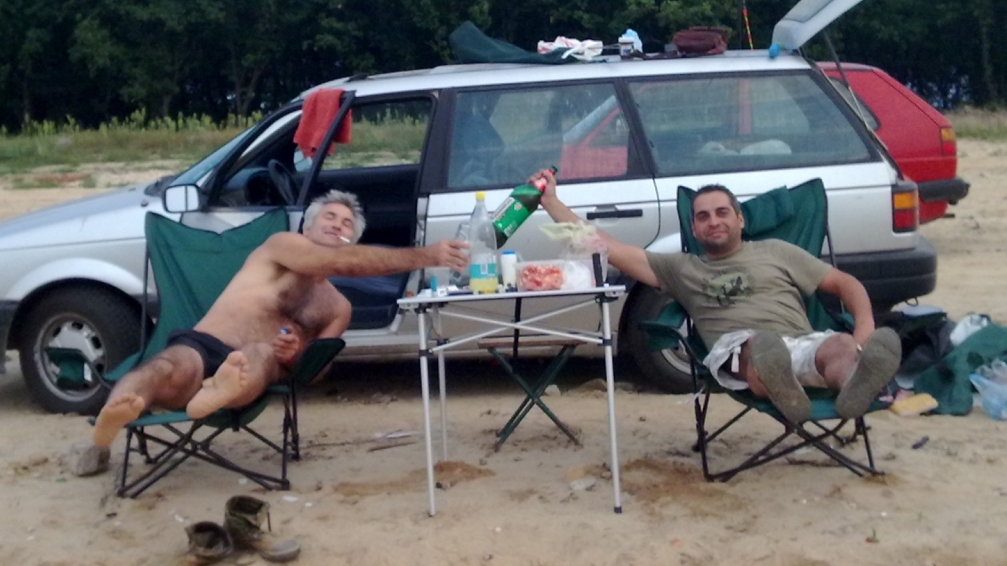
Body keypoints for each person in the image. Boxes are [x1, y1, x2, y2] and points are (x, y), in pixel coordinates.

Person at [91, 190, 468, 448]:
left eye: (347, 224)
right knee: (169, 365)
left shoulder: (338, 307)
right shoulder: (282, 246)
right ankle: (120, 407)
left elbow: (315, 372)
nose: (337, 225)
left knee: (257, 356)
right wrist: (426, 255)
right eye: (329, 217)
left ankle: (219, 390)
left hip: (258, 367)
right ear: (306, 228)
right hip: (204, 344)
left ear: (353, 242)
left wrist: (296, 356)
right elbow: (344, 264)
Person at [529, 171, 901, 423]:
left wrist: (862, 332)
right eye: (703, 217)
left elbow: (845, 283)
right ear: (694, 228)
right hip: (739, 346)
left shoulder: (778, 251)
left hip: (801, 342)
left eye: (722, 213)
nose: (714, 221)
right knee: (759, 349)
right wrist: (551, 202)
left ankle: (851, 387)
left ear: (740, 220)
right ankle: (782, 388)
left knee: (837, 346)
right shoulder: (681, 267)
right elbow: (605, 246)